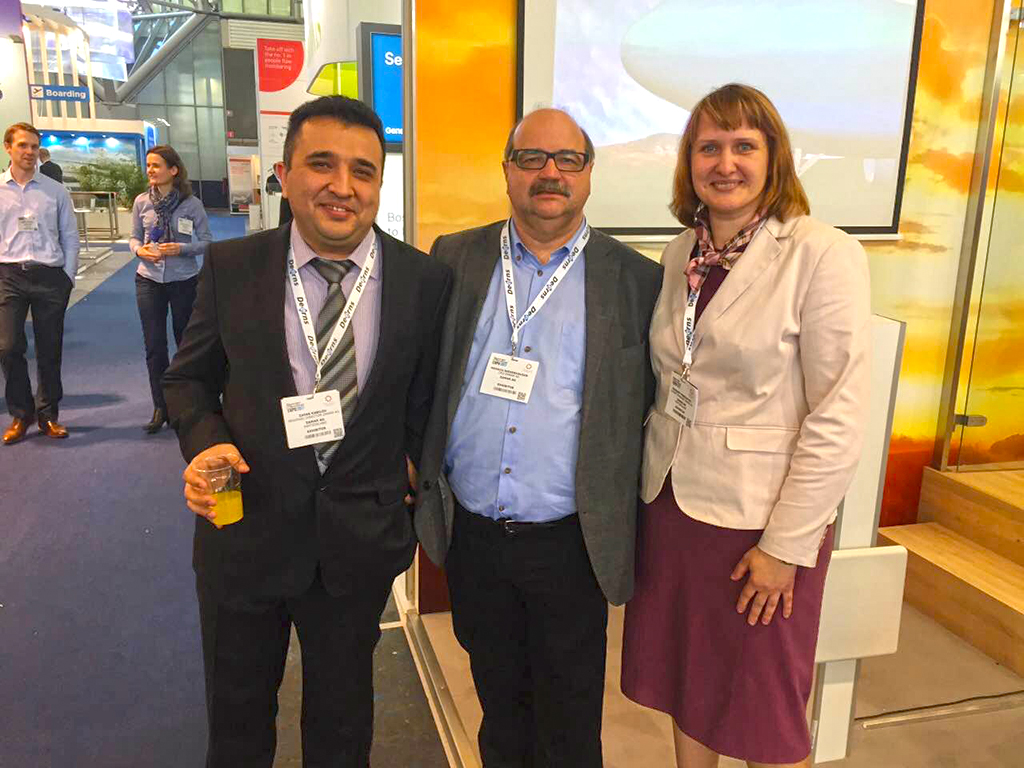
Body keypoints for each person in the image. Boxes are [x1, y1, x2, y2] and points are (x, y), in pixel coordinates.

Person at [163, 95, 452, 768]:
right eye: (322, 164)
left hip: (356, 546)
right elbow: (187, 380)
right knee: (237, 727)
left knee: (342, 729)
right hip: (244, 533)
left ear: (379, 184)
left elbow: (427, 400)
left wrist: (409, 476)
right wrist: (206, 443)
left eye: (363, 170)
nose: (342, 186)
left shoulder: (425, 281)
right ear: (284, 174)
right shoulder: (233, 268)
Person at [620, 83, 871, 768]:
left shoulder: (822, 252)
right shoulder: (680, 253)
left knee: (763, 704)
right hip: (673, 504)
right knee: (688, 682)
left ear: (773, 158)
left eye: (743, 146)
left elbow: (839, 414)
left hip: (759, 523)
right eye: (709, 147)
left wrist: (786, 546)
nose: (725, 163)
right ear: (689, 162)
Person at [414, 108, 663, 767]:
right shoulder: (455, 257)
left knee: (570, 721)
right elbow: (424, 373)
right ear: (507, 171)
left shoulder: (636, 280)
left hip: (571, 542)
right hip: (474, 536)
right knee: (499, 707)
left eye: (567, 160)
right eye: (532, 158)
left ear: (589, 173)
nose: (550, 173)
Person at [1, 122, 79, 445]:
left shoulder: (55, 191)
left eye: (34, 146)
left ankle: (48, 414)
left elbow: (70, 236)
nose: (29, 152)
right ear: (8, 148)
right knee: (7, 347)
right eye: (23, 145)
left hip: (50, 277)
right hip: (8, 276)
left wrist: (68, 278)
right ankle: (21, 413)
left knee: (50, 349)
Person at [129, 145, 212, 433]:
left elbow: (207, 241)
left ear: (173, 170)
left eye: (157, 165)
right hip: (148, 280)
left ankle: (187, 404)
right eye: (149, 165)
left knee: (185, 344)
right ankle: (160, 406)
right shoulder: (142, 202)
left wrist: (182, 249)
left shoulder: (192, 204)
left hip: (183, 280)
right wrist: (139, 251)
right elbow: (134, 237)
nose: (150, 170)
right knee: (154, 346)